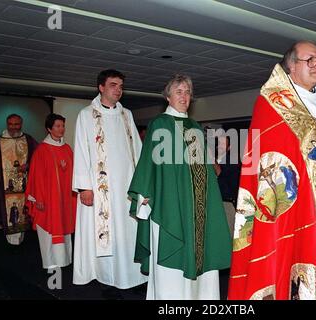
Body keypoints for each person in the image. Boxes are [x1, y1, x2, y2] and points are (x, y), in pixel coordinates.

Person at [228, 41, 316, 300]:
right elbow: (273, 160)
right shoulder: (272, 104)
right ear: (291, 66)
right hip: (299, 214)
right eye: (310, 60)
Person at [128, 74, 231, 300]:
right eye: (179, 92)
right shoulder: (159, 124)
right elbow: (150, 163)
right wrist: (144, 194)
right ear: (168, 97)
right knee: (172, 264)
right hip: (170, 204)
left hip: (197, 206)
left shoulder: (194, 126)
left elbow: (200, 165)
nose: (184, 96)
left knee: (202, 255)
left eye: (187, 92)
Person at [72, 69, 147, 290]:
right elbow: (81, 150)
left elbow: (138, 150)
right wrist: (85, 187)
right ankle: (106, 279)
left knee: (128, 231)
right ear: (101, 87)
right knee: (106, 233)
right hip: (100, 188)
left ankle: (134, 276)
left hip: (126, 186)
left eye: (121, 86)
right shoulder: (86, 115)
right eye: (113, 85)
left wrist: (142, 184)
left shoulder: (127, 115)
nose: (118, 90)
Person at [25, 113, 77, 269]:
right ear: (49, 128)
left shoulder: (67, 149)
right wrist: (38, 199)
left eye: (63, 126)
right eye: (57, 126)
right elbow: (36, 177)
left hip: (65, 200)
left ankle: (64, 260)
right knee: (48, 232)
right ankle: (51, 263)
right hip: (48, 200)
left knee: (65, 228)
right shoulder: (42, 150)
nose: (61, 129)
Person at [0, 114, 38, 245]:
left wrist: (28, 165)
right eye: (11, 124)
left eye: (16, 124)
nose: (13, 127)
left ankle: (20, 240)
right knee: (7, 212)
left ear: (21, 124)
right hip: (4, 184)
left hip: (24, 185)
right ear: (7, 124)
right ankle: (10, 242)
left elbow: (39, 157)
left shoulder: (29, 140)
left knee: (22, 211)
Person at [213, 135, 241, 237]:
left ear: (229, 147)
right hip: (213, 202)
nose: (220, 146)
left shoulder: (232, 162)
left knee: (228, 235)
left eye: (224, 144)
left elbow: (228, 185)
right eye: (219, 143)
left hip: (226, 203)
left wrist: (214, 164)